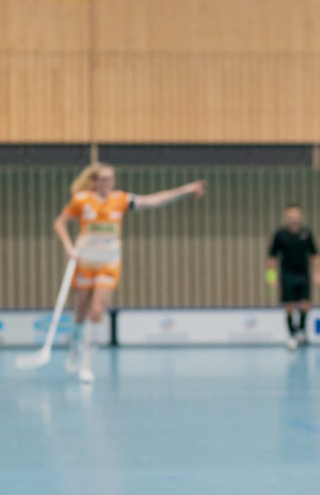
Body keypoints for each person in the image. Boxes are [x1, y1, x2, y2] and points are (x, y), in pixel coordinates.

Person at [53, 163, 206, 382]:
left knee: (97, 312)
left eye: (111, 180)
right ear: (94, 181)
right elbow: (60, 223)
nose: (107, 184)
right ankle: (74, 348)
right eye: (103, 179)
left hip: (109, 262)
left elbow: (154, 201)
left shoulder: (121, 199)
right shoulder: (82, 200)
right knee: (80, 312)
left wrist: (185, 189)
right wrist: (69, 247)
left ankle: (86, 364)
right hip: (85, 261)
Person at [267, 204, 320, 350]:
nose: (294, 218)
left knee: (305, 304)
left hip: (303, 275)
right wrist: (271, 278)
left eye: (296, 214)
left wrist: (318, 274)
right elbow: (271, 259)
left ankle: (302, 332)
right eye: (291, 215)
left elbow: (315, 255)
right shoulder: (280, 235)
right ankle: (292, 335)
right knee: (290, 306)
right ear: (286, 216)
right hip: (287, 275)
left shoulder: (306, 233)